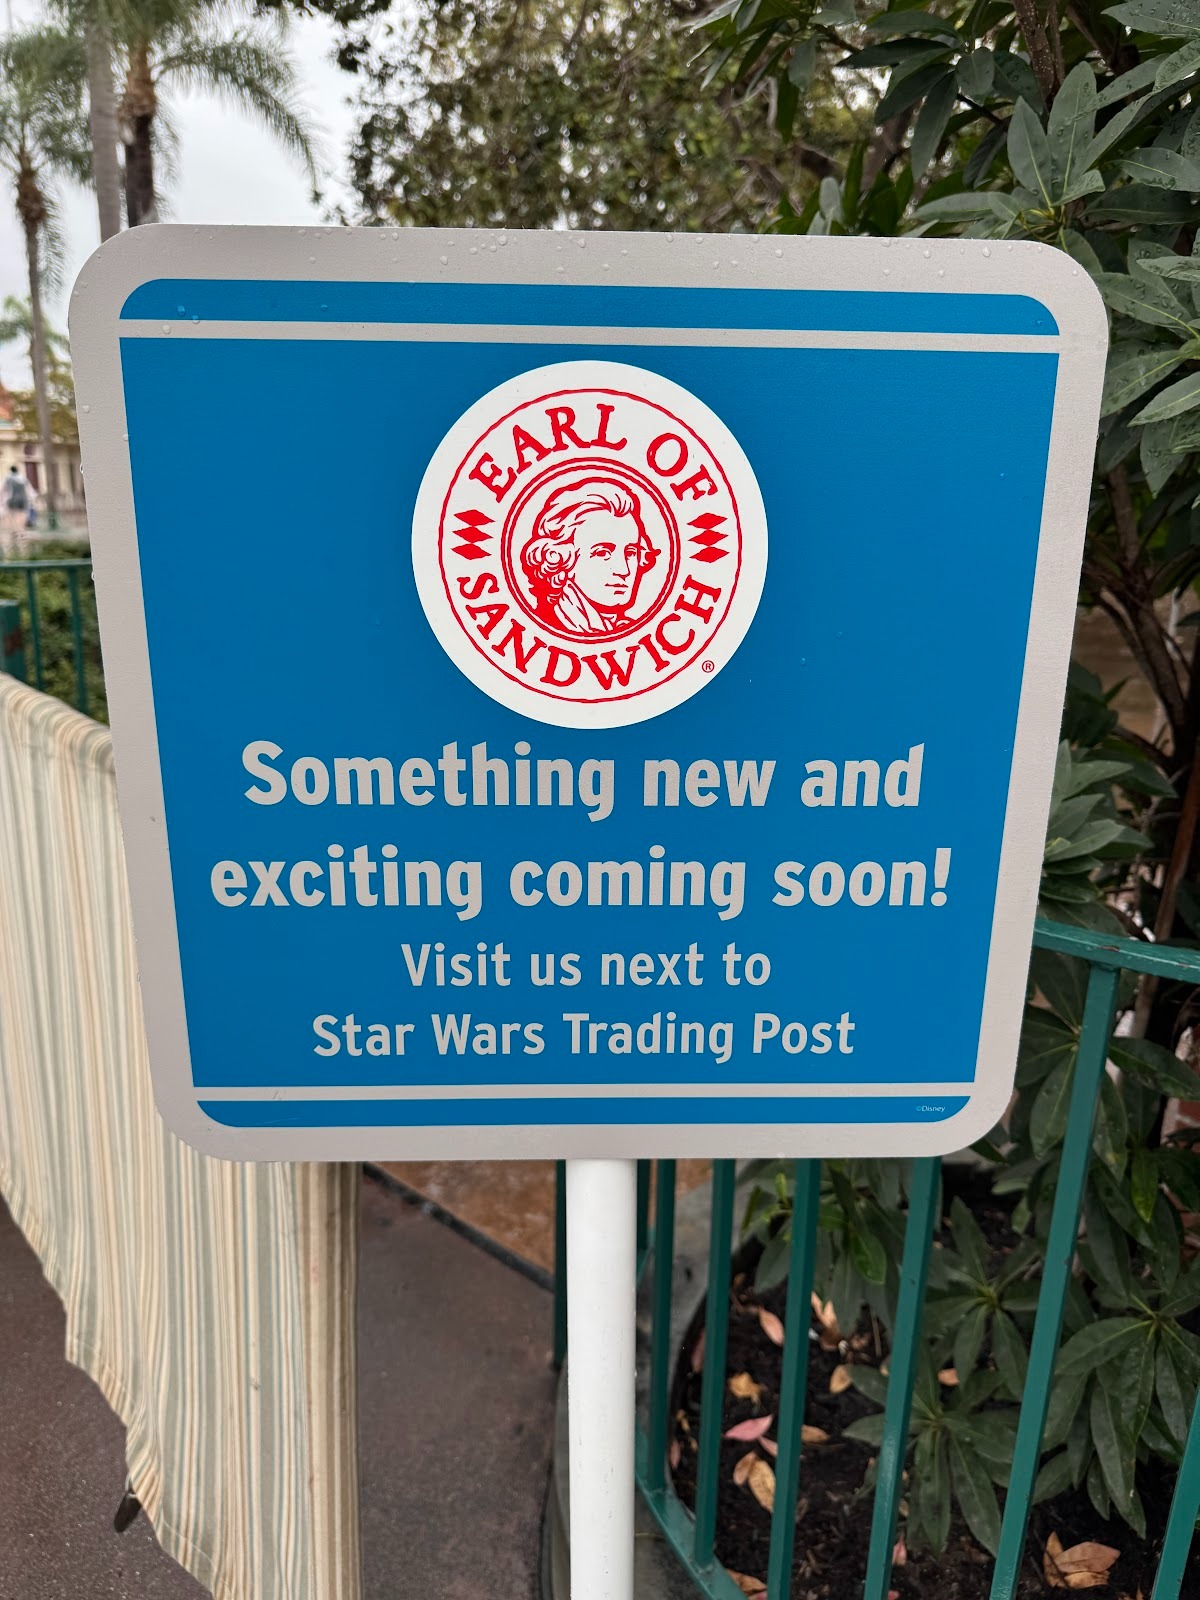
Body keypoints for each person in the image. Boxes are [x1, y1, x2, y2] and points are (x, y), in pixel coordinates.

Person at [520, 478, 660, 635]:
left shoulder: (621, 629)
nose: (624, 570)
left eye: (630, 553)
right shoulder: (548, 626)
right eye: (603, 553)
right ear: (563, 560)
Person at [1, 465, 32, 554]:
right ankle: (21, 532)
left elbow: (2, 490)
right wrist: (30, 500)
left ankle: (15, 532)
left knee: (13, 516)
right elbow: (29, 490)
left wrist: (3, 501)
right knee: (21, 516)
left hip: (12, 500)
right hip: (23, 500)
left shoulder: (8, 478)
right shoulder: (23, 478)